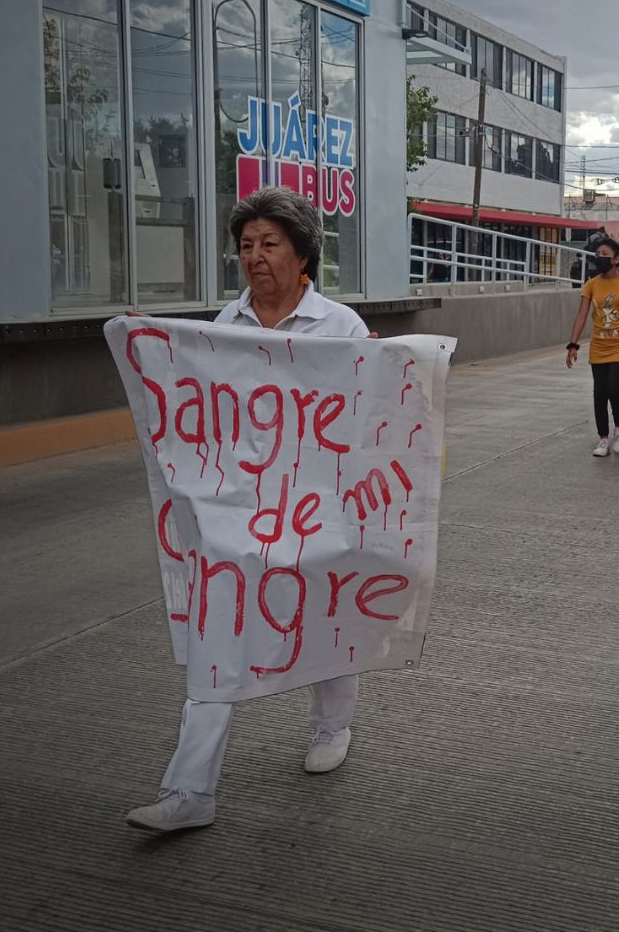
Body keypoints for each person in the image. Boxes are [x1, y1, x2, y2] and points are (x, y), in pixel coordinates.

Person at [126, 187, 372, 833]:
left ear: (302, 254)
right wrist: (149, 344)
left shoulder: (341, 326)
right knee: (218, 628)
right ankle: (190, 791)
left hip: (316, 504)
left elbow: (368, 410)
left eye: (269, 244)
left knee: (322, 613)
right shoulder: (221, 327)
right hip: (237, 506)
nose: (255, 256)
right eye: (246, 245)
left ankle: (332, 725)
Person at [567, 239, 619, 457]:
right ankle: (603, 438)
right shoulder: (591, 285)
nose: (599, 258)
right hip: (598, 345)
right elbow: (581, 316)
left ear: (616, 259)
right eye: (597, 254)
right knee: (599, 392)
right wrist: (573, 344)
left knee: (614, 389)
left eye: (604, 254)